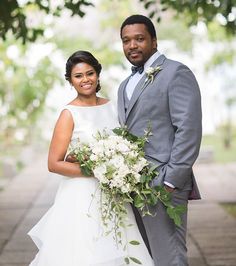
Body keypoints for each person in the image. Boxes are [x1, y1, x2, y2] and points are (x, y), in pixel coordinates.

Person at [28, 50, 154, 266]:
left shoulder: (112, 106)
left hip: (114, 194)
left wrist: (123, 165)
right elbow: (54, 163)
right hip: (81, 197)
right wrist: (96, 171)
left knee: (121, 245)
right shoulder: (69, 113)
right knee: (86, 253)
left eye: (90, 73)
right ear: (70, 80)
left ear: (98, 75)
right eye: (78, 76)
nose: (85, 80)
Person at [117, 14, 202, 266]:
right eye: (126, 40)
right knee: (146, 258)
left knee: (170, 257)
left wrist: (171, 180)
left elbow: (188, 129)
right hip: (133, 185)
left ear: (154, 41)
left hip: (164, 184)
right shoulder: (124, 85)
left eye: (139, 39)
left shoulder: (176, 72)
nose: (132, 45)